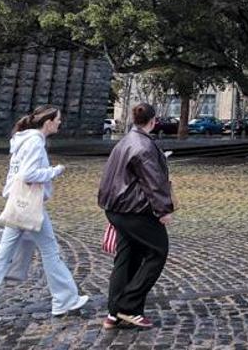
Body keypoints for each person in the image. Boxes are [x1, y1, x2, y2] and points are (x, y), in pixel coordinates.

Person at [0, 105, 90, 325]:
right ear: (48, 122)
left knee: (7, 257)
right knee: (47, 252)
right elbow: (28, 174)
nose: (60, 122)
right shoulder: (35, 142)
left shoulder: (24, 140)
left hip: (21, 204)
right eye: (58, 119)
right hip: (28, 206)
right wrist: (55, 171)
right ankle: (64, 299)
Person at [97, 102, 175, 330]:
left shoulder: (124, 142)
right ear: (153, 121)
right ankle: (128, 306)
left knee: (127, 256)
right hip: (134, 210)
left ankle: (114, 313)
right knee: (158, 251)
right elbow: (153, 182)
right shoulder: (143, 146)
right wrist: (164, 210)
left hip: (116, 208)